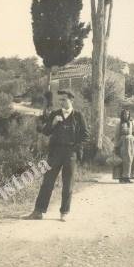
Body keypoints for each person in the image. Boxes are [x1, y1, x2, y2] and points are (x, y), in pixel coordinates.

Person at [26, 90, 89, 222]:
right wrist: (53, 122)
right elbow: (46, 131)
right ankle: (39, 211)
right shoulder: (55, 114)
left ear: (71, 100)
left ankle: (64, 212)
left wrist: (75, 149)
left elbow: (85, 136)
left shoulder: (78, 116)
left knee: (68, 184)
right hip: (55, 153)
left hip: (70, 153)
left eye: (64, 99)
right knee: (47, 182)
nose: (61, 102)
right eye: (60, 100)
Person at [115, 109, 134, 183]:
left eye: (128, 114)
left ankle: (128, 176)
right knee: (124, 160)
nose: (126, 115)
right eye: (125, 114)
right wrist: (116, 146)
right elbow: (117, 135)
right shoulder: (119, 124)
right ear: (122, 115)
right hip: (123, 143)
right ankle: (123, 177)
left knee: (131, 160)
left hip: (131, 144)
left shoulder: (131, 123)